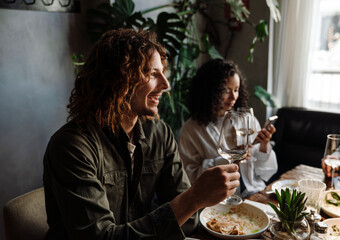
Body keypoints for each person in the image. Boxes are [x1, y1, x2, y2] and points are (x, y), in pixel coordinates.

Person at [42, 29, 241, 240]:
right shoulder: (72, 147)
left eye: (162, 72)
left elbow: (189, 221)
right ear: (120, 79)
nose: (166, 85)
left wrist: (193, 202)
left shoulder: (159, 133)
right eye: (152, 74)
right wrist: (193, 199)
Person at [178, 58, 278, 198]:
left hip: (253, 192)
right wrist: (230, 159)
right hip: (217, 200)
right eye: (226, 91)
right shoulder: (191, 130)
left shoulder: (246, 120)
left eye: (236, 90)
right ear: (209, 91)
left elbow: (265, 172)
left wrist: (264, 145)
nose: (233, 97)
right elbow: (190, 177)